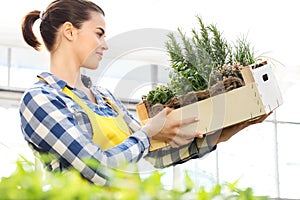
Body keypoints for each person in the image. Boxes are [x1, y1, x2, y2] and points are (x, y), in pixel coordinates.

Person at [19, 0, 270, 186]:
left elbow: (148, 158)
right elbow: (98, 166)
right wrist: (148, 133)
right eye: (99, 33)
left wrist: (221, 134)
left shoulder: (106, 97)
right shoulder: (42, 99)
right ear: (70, 32)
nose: (105, 44)